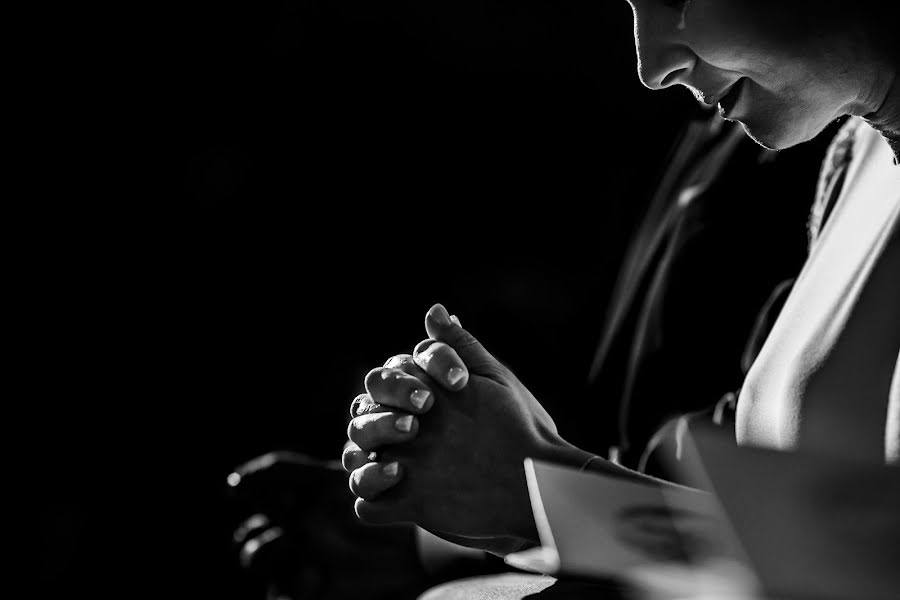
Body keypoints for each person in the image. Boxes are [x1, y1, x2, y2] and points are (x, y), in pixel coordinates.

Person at [342, 0, 899, 595]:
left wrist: (544, 489)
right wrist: (509, 482)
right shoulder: (852, 154)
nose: (650, 65)